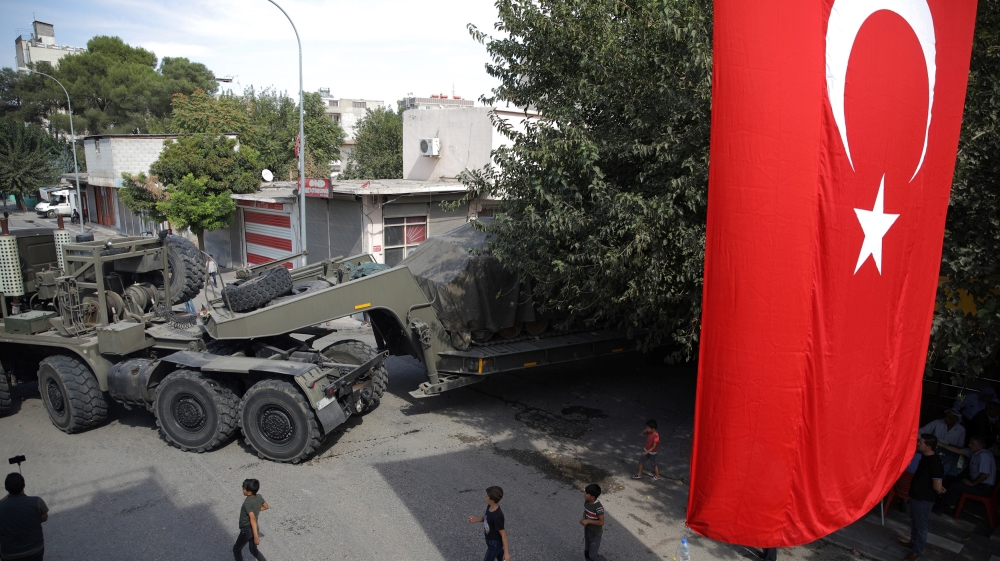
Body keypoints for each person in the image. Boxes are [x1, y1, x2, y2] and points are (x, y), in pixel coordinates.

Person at [898, 435, 945, 561]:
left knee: (921, 527)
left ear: (928, 447)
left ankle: (917, 552)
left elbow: (937, 486)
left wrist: (939, 488)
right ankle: (913, 543)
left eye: (921, 442)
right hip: (915, 495)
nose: (918, 444)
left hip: (924, 499)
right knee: (914, 522)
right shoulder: (925, 457)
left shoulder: (935, 463)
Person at [0, 472, 49, 561]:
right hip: (34, 550)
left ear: (6, 488)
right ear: (24, 485)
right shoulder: (36, 502)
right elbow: (44, 518)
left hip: (9, 554)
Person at [941, 435, 996, 512]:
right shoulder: (974, 452)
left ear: (981, 446)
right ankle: (945, 502)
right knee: (953, 478)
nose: (969, 445)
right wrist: (941, 444)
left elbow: (985, 474)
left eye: (972, 443)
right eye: (970, 443)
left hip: (984, 487)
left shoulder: (983, 455)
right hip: (978, 483)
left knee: (954, 486)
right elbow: (958, 450)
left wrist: (973, 483)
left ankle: (950, 507)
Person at [467, 486, 510, 561]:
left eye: (487, 496)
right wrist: (476, 519)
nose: (485, 497)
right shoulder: (490, 507)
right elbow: (487, 518)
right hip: (490, 540)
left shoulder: (497, 517)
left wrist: (506, 553)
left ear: (492, 501)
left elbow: (503, 534)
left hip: (495, 544)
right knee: (501, 557)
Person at [233, 478, 268, 561]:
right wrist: (256, 509)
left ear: (249, 492)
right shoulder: (259, 497)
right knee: (253, 550)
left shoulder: (247, 503)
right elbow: (266, 506)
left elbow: (252, 519)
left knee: (236, 549)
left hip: (246, 530)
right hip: (254, 528)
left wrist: (256, 537)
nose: (242, 490)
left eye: (244, 489)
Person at [580, 483, 605, 561]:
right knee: (587, 552)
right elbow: (586, 511)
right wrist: (583, 518)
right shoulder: (587, 502)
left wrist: (588, 521)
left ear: (592, 497)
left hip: (595, 533)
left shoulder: (598, 507)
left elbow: (601, 522)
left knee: (593, 555)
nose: (584, 494)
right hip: (588, 530)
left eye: (586, 493)